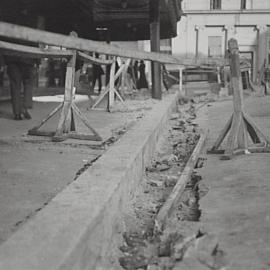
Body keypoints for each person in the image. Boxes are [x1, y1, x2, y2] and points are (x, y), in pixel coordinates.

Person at [1, 6, 39, 120]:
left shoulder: (10, 27)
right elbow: (35, 45)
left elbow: (3, 46)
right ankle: (25, 108)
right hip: (27, 60)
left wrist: (3, 62)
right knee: (28, 84)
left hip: (12, 60)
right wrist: (37, 61)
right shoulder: (30, 28)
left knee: (15, 86)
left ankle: (17, 114)